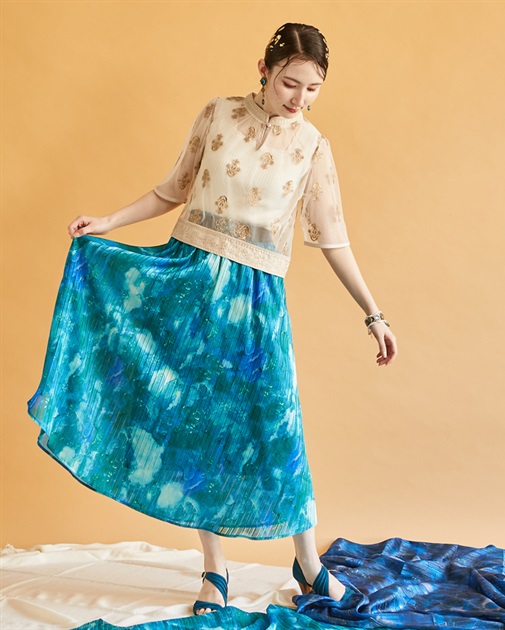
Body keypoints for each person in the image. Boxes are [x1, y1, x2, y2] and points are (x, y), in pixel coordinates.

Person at [27, 22, 397, 617]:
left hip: (256, 303)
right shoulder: (218, 114)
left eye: (313, 89)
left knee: (278, 428)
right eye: (289, 83)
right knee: (197, 427)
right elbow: (172, 190)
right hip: (190, 282)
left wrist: (373, 314)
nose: (299, 99)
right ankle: (214, 570)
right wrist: (108, 222)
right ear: (264, 69)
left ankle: (308, 564)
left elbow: (333, 239)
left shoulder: (313, 147)